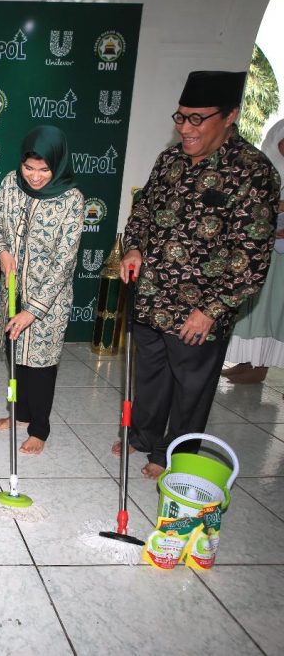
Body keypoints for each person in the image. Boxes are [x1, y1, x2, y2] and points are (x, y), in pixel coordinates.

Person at [116, 71, 280, 479]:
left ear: (230, 116)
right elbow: (143, 213)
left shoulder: (253, 172)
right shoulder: (170, 160)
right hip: (152, 294)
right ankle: (143, 436)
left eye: (197, 119)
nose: (185, 128)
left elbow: (252, 255)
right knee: (150, 375)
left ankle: (174, 454)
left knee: (190, 386)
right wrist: (133, 247)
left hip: (200, 308)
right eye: (181, 117)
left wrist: (212, 309)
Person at [0, 126, 85, 454]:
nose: (35, 177)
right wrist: (0, 250)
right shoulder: (9, 184)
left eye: (44, 169)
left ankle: (39, 427)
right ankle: (20, 414)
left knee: (40, 365)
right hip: (12, 289)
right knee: (16, 359)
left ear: (58, 164)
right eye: (29, 168)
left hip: (48, 301)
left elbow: (64, 262)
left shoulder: (72, 200)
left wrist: (33, 310)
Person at [222, 118, 284, 384]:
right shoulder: (264, 163)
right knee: (250, 310)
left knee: (272, 312)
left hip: (280, 251)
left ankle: (262, 365)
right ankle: (246, 360)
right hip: (260, 247)